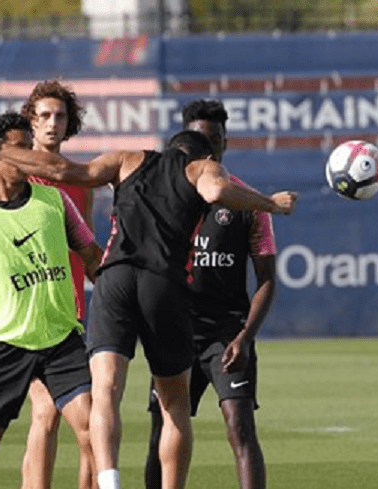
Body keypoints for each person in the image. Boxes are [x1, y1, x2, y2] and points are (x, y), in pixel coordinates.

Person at [0, 119, 297, 489]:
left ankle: (109, 483)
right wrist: (271, 203)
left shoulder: (125, 159)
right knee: (174, 405)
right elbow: (217, 191)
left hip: (110, 284)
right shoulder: (202, 167)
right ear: (203, 155)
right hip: (162, 285)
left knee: (104, 392)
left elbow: (65, 171)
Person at [0, 112, 103, 489]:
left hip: (61, 340)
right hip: (2, 345)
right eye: (19, 150)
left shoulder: (54, 201)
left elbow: (92, 259)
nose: (29, 159)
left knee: (95, 434)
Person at [144, 99, 272, 489]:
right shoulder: (162, 201)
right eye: (201, 141)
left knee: (240, 427)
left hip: (225, 334)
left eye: (215, 140)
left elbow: (267, 279)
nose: (209, 149)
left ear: (225, 143)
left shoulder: (248, 203)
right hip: (175, 330)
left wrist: (245, 337)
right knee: (161, 430)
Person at [17, 79, 98, 489]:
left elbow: (88, 250)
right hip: (29, 316)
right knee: (46, 411)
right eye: (44, 115)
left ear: (70, 124)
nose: (52, 124)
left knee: (90, 421)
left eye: (60, 116)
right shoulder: (17, 175)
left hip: (73, 316)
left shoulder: (80, 179)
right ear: (30, 121)